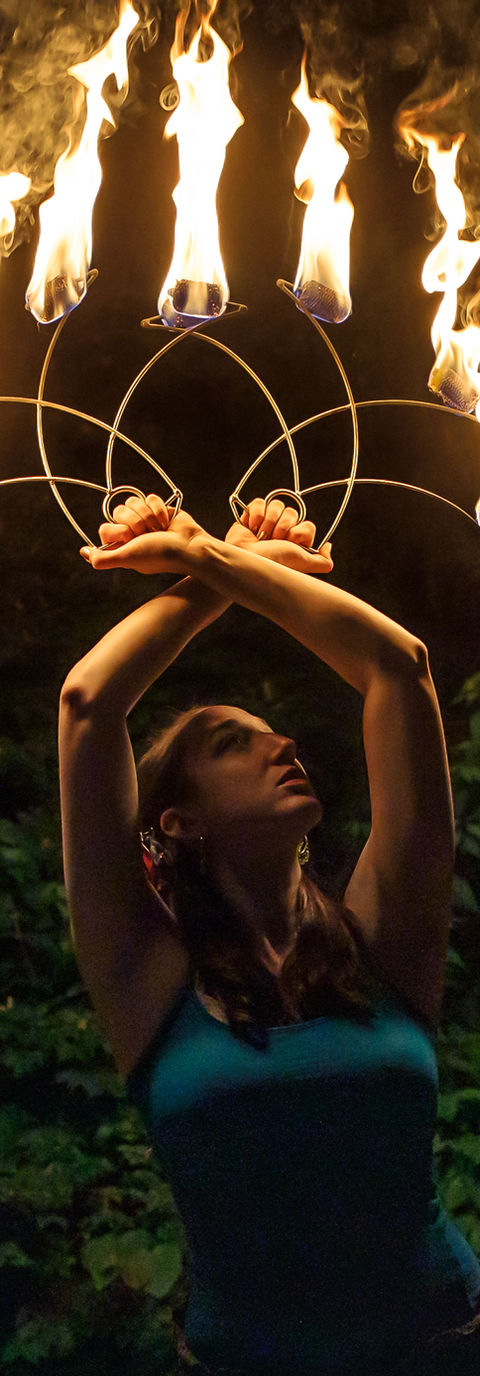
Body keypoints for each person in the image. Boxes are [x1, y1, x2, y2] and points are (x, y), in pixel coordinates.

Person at [59, 493, 480, 1376]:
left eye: (271, 733)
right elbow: (88, 701)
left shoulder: (380, 934)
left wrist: (214, 558)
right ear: (176, 822)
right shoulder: (146, 975)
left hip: (443, 1346)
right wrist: (224, 568)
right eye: (232, 745)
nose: (281, 742)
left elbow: (400, 668)